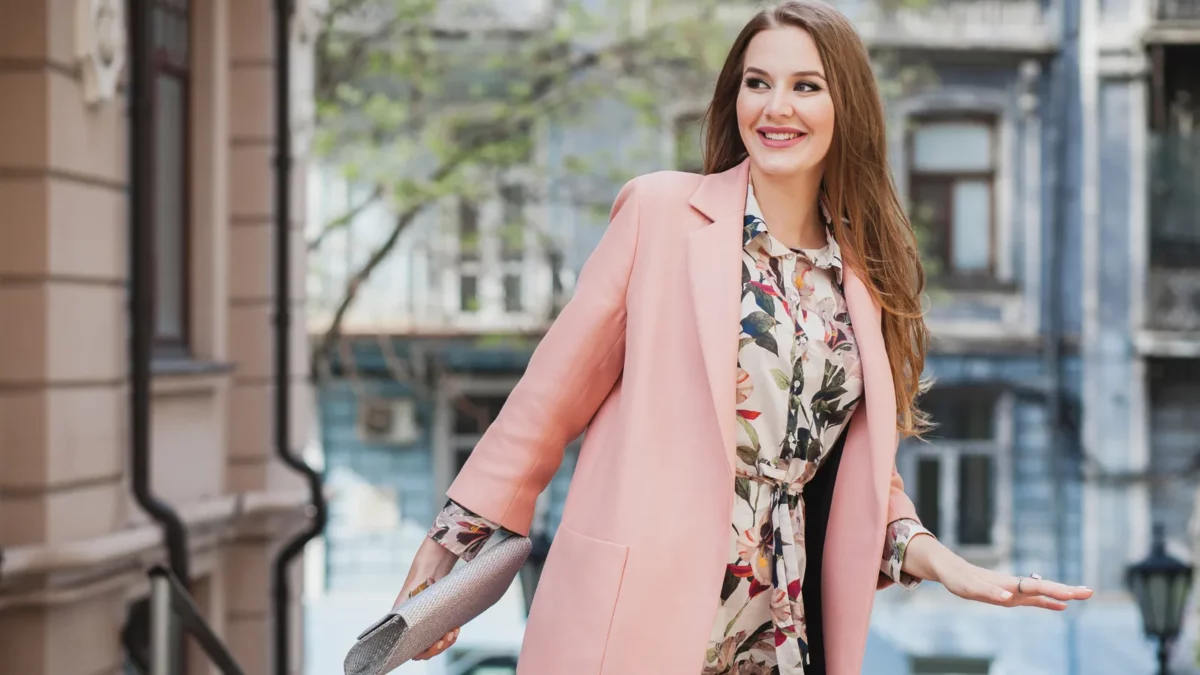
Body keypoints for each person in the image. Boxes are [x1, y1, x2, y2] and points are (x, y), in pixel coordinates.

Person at [396, 2, 1093, 673]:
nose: (775, 107)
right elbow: (545, 402)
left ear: (844, 106)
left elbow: (854, 471)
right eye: (757, 83)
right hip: (642, 608)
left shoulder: (861, 278)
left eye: (805, 86)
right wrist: (447, 548)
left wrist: (949, 566)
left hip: (781, 624)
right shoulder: (660, 215)